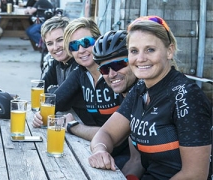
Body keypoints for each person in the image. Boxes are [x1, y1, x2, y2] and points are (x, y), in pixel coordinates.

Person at [88, 16, 212, 180]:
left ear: (169, 51)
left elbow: (195, 175)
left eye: (150, 50)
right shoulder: (140, 88)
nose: (140, 58)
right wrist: (100, 150)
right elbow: (107, 133)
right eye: (134, 51)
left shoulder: (186, 97)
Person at [32, 17, 129, 169]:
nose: (81, 50)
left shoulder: (115, 74)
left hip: (122, 155)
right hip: (94, 148)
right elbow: (54, 101)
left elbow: (116, 137)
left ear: (98, 41)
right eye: (74, 46)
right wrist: (40, 115)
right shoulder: (81, 72)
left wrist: (73, 126)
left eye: (86, 42)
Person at [93, 30, 142, 177]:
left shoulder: (145, 92)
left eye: (119, 64)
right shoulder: (131, 95)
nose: (112, 74)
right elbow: (137, 160)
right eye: (104, 69)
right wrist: (99, 150)